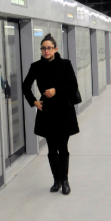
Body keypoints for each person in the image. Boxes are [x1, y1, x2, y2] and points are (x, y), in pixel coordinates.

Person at [22, 34, 80, 195]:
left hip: (63, 111)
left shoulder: (65, 64)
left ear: (55, 49)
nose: (46, 51)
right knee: (51, 148)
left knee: (63, 146)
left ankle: (65, 180)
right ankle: (57, 180)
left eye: (49, 48)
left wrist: (56, 90)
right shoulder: (36, 66)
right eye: (43, 48)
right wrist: (34, 101)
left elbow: (73, 86)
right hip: (46, 111)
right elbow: (25, 86)